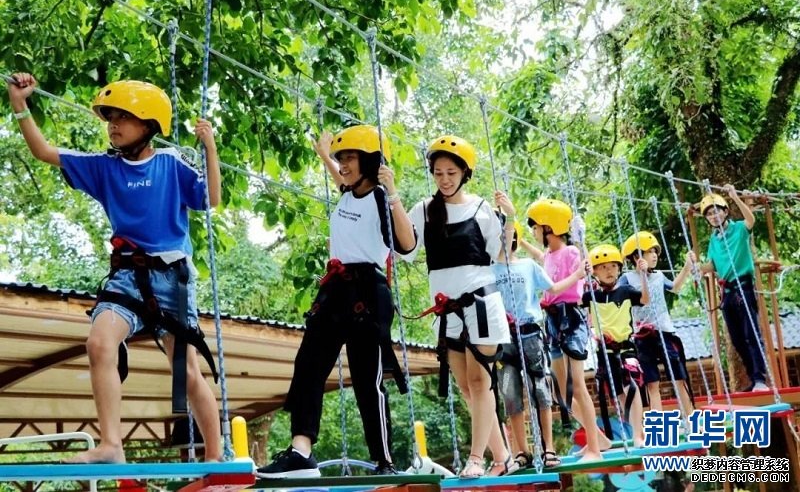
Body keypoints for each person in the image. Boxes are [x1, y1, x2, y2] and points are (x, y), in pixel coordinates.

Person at [7, 73, 222, 463]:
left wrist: (209, 147)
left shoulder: (171, 164)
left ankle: (216, 457)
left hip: (172, 279)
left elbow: (212, 198)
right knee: (99, 343)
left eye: (122, 117)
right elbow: (44, 152)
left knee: (186, 373)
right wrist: (20, 104)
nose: (113, 125)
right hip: (128, 277)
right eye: (109, 118)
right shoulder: (104, 167)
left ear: (149, 123)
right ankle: (111, 445)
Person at [256, 125, 416, 478]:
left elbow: (407, 245)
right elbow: (341, 177)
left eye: (350, 159)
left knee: (366, 379)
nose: (343, 165)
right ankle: (301, 452)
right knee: (309, 366)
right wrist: (324, 154)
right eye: (341, 159)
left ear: (371, 163)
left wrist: (393, 193)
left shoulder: (378, 197)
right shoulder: (349, 192)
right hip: (335, 289)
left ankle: (384, 461)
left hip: (367, 293)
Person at [403, 136, 515, 478]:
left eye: (451, 172)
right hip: (446, 311)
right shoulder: (423, 210)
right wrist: (391, 195)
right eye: (438, 172)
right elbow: (404, 249)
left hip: (481, 304)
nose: (445, 179)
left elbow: (503, 256)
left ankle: (477, 458)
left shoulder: (482, 209)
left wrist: (509, 218)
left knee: (481, 384)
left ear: (465, 173)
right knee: (466, 388)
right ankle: (503, 457)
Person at [492, 195, 586, 469]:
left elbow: (554, 288)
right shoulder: (488, 269)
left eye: (506, 236)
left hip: (530, 334)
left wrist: (578, 274)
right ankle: (522, 451)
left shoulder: (529, 266)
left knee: (540, 391)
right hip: (503, 339)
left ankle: (549, 449)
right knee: (510, 395)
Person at [526, 199, 606, 461]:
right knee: (562, 392)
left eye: (536, 228)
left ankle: (594, 448)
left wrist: (582, 243)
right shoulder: (548, 255)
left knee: (578, 386)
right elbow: (541, 258)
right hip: (552, 320)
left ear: (549, 227)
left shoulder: (572, 252)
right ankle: (598, 438)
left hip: (570, 319)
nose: (534, 232)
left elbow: (584, 269)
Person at [691, 185, 768, 392]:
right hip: (727, 293)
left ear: (725, 212)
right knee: (736, 340)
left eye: (717, 211)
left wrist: (734, 197)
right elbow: (712, 265)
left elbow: (751, 220)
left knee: (751, 334)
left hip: (743, 287)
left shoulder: (739, 229)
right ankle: (754, 378)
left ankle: (760, 379)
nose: (714, 216)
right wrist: (696, 268)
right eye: (709, 214)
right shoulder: (713, 242)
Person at [620, 231, 694, 418]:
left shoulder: (659, 276)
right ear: (637, 256)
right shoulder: (627, 279)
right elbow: (616, 295)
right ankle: (658, 425)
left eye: (655, 251)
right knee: (652, 383)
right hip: (643, 337)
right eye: (649, 251)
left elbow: (675, 288)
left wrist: (687, 266)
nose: (654, 255)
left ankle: (692, 419)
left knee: (679, 378)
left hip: (665, 333)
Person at [584, 244, 649, 448]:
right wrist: (581, 271)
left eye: (613, 266)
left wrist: (644, 275)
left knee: (631, 385)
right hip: (605, 350)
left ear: (619, 269)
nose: (609, 270)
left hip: (626, 346)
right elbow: (573, 299)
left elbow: (645, 299)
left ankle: (638, 434)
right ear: (594, 271)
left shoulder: (626, 290)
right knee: (619, 394)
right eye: (603, 267)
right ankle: (635, 430)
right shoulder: (590, 296)